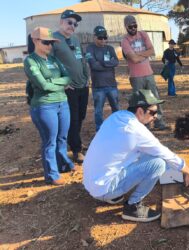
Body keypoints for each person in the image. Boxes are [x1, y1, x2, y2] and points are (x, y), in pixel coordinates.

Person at [83, 89, 189, 222]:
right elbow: (165, 154)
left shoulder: (118, 116)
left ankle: (114, 194)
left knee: (151, 156)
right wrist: (188, 172)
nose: (155, 116)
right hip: (104, 189)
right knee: (158, 163)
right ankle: (133, 207)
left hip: (92, 181)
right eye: (153, 112)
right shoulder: (135, 130)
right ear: (139, 111)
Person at [24, 27, 75, 185]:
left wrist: (54, 83)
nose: (49, 46)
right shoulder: (31, 61)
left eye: (51, 43)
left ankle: (64, 165)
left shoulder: (53, 59)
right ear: (35, 41)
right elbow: (42, 86)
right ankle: (52, 175)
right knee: (50, 141)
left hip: (62, 103)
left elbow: (68, 77)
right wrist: (60, 83)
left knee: (62, 137)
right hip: (44, 106)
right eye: (46, 42)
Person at [51, 10, 89, 163]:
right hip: (69, 88)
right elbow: (51, 64)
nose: (72, 26)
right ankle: (76, 150)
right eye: (69, 22)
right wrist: (63, 83)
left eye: (75, 24)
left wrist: (87, 77)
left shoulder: (75, 39)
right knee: (72, 118)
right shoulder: (53, 39)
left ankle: (75, 140)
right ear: (61, 22)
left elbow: (82, 60)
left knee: (80, 116)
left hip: (83, 85)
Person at [121, 15, 168, 130]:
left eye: (134, 25)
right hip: (136, 76)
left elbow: (152, 51)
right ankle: (144, 124)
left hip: (149, 73)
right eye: (130, 26)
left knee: (155, 98)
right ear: (126, 27)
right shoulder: (125, 41)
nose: (133, 28)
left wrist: (138, 55)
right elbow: (134, 59)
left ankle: (159, 121)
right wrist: (144, 54)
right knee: (140, 102)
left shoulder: (143, 34)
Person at [86, 26, 119, 131]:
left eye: (105, 38)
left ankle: (117, 128)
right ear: (94, 37)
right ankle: (99, 130)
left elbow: (116, 62)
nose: (103, 40)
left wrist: (101, 62)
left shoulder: (110, 48)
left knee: (116, 109)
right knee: (98, 111)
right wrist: (108, 64)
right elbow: (93, 65)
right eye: (100, 38)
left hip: (112, 85)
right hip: (98, 86)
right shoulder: (90, 48)